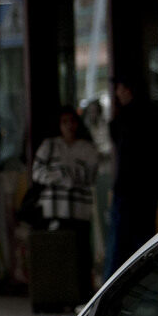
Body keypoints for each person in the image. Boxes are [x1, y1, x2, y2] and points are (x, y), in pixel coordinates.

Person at [30, 105, 101, 301]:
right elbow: (37, 172)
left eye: (72, 122)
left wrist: (59, 175)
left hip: (79, 210)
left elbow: (89, 175)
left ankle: (81, 297)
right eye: (64, 122)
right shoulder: (50, 146)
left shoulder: (87, 148)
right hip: (54, 210)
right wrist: (63, 176)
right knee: (56, 254)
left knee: (80, 256)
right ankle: (57, 295)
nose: (69, 126)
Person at [105, 76, 158, 280]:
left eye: (119, 89)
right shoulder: (152, 114)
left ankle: (111, 290)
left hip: (129, 188)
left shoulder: (127, 118)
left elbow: (117, 138)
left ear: (128, 90)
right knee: (144, 242)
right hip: (148, 189)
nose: (117, 94)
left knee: (119, 245)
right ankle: (147, 285)